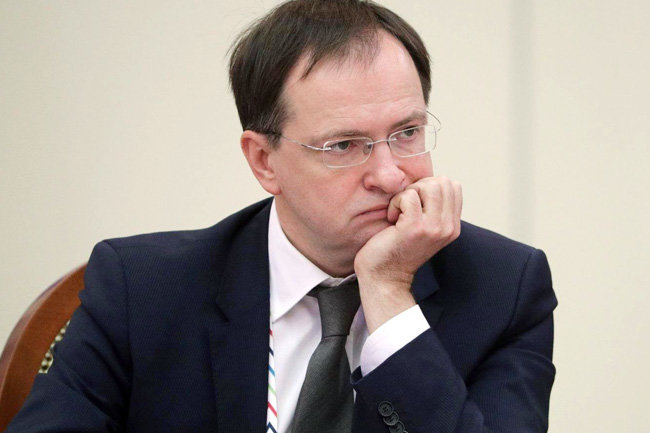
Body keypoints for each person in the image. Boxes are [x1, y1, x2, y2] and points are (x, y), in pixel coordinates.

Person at [6, 1, 557, 432]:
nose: (391, 175)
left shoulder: (503, 288)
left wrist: (389, 292)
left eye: (407, 132)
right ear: (264, 161)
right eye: (344, 145)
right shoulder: (142, 289)